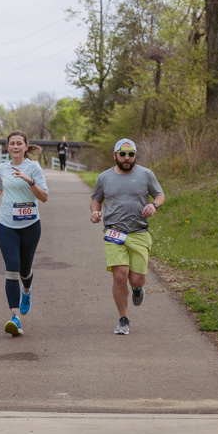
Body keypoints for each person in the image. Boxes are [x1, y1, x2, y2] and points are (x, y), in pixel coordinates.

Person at [90, 138, 164, 335]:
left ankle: (138, 290)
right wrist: (95, 212)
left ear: (135, 156)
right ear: (115, 155)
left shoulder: (146, 174)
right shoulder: (104, 178)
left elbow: (160, 195)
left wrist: (153, 205)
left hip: (139, 232)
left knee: (137, 279)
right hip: (114, 232)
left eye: (130, 154)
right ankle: (123, 318)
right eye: (122, 154)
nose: (126, 158)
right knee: (119, 276)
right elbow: (96, 199)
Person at [0, 130, 48, 337]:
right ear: (7, 147)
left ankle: (27, 291)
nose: (15, 146)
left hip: (31, 225)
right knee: (11, 268)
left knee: (25, 269)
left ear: (25, 146)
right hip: (6, 224)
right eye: (12, 143)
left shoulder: (33, 167)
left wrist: (29, 181)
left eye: (19, 143)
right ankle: (15, 317)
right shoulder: (2, 168)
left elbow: (44, 197)